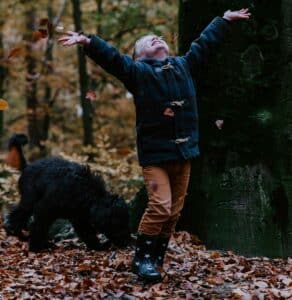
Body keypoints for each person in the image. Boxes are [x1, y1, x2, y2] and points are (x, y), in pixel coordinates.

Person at [58, 8, 251, 282]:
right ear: (139, 56)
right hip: (156, 158)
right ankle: (142, 259)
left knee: (173, 213)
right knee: (160, 206)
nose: (157, 39)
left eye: (159, 37)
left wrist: (222, 20)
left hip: (184, 155)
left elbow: (204, 44)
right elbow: (113, 59)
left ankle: (157, 257)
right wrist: (89, 42)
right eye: (148, 41)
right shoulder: (138, 73)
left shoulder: (184, 65)